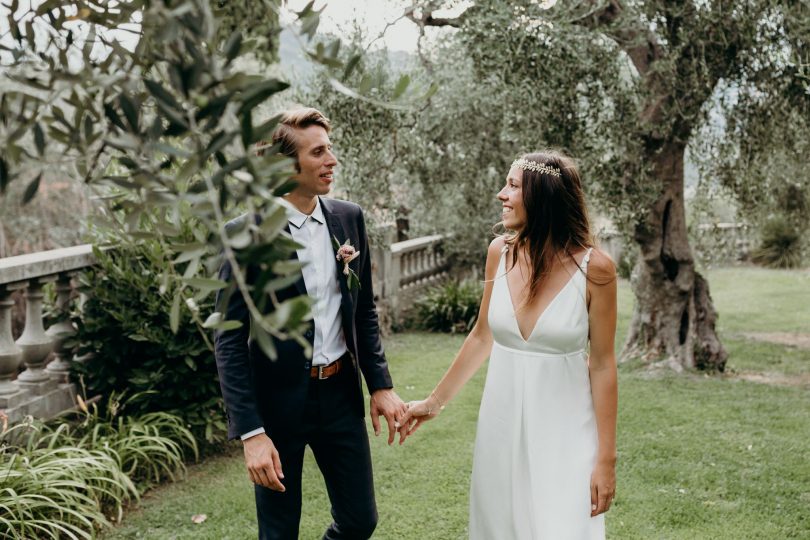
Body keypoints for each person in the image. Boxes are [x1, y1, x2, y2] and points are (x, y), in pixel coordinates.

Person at [398, 151, 618, 539]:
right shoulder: (499, 253)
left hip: (566, 432)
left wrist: (605, 458)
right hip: (500, 428)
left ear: (542, 196)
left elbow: (602, 365)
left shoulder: (595, 269)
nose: (502, 194)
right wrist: (433, 403)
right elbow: (482, 336)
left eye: (513, 185)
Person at [214, 107, 407, 540]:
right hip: (278, 405)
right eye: (318, 152)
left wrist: (380, 384)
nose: (331, 160)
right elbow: (228, 342)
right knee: (280, 531)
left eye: (330, 149)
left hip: (340, 395)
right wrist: (251, 433)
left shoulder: (349, 218)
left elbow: (362, 311)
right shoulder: (243, 237)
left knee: (360, 520)